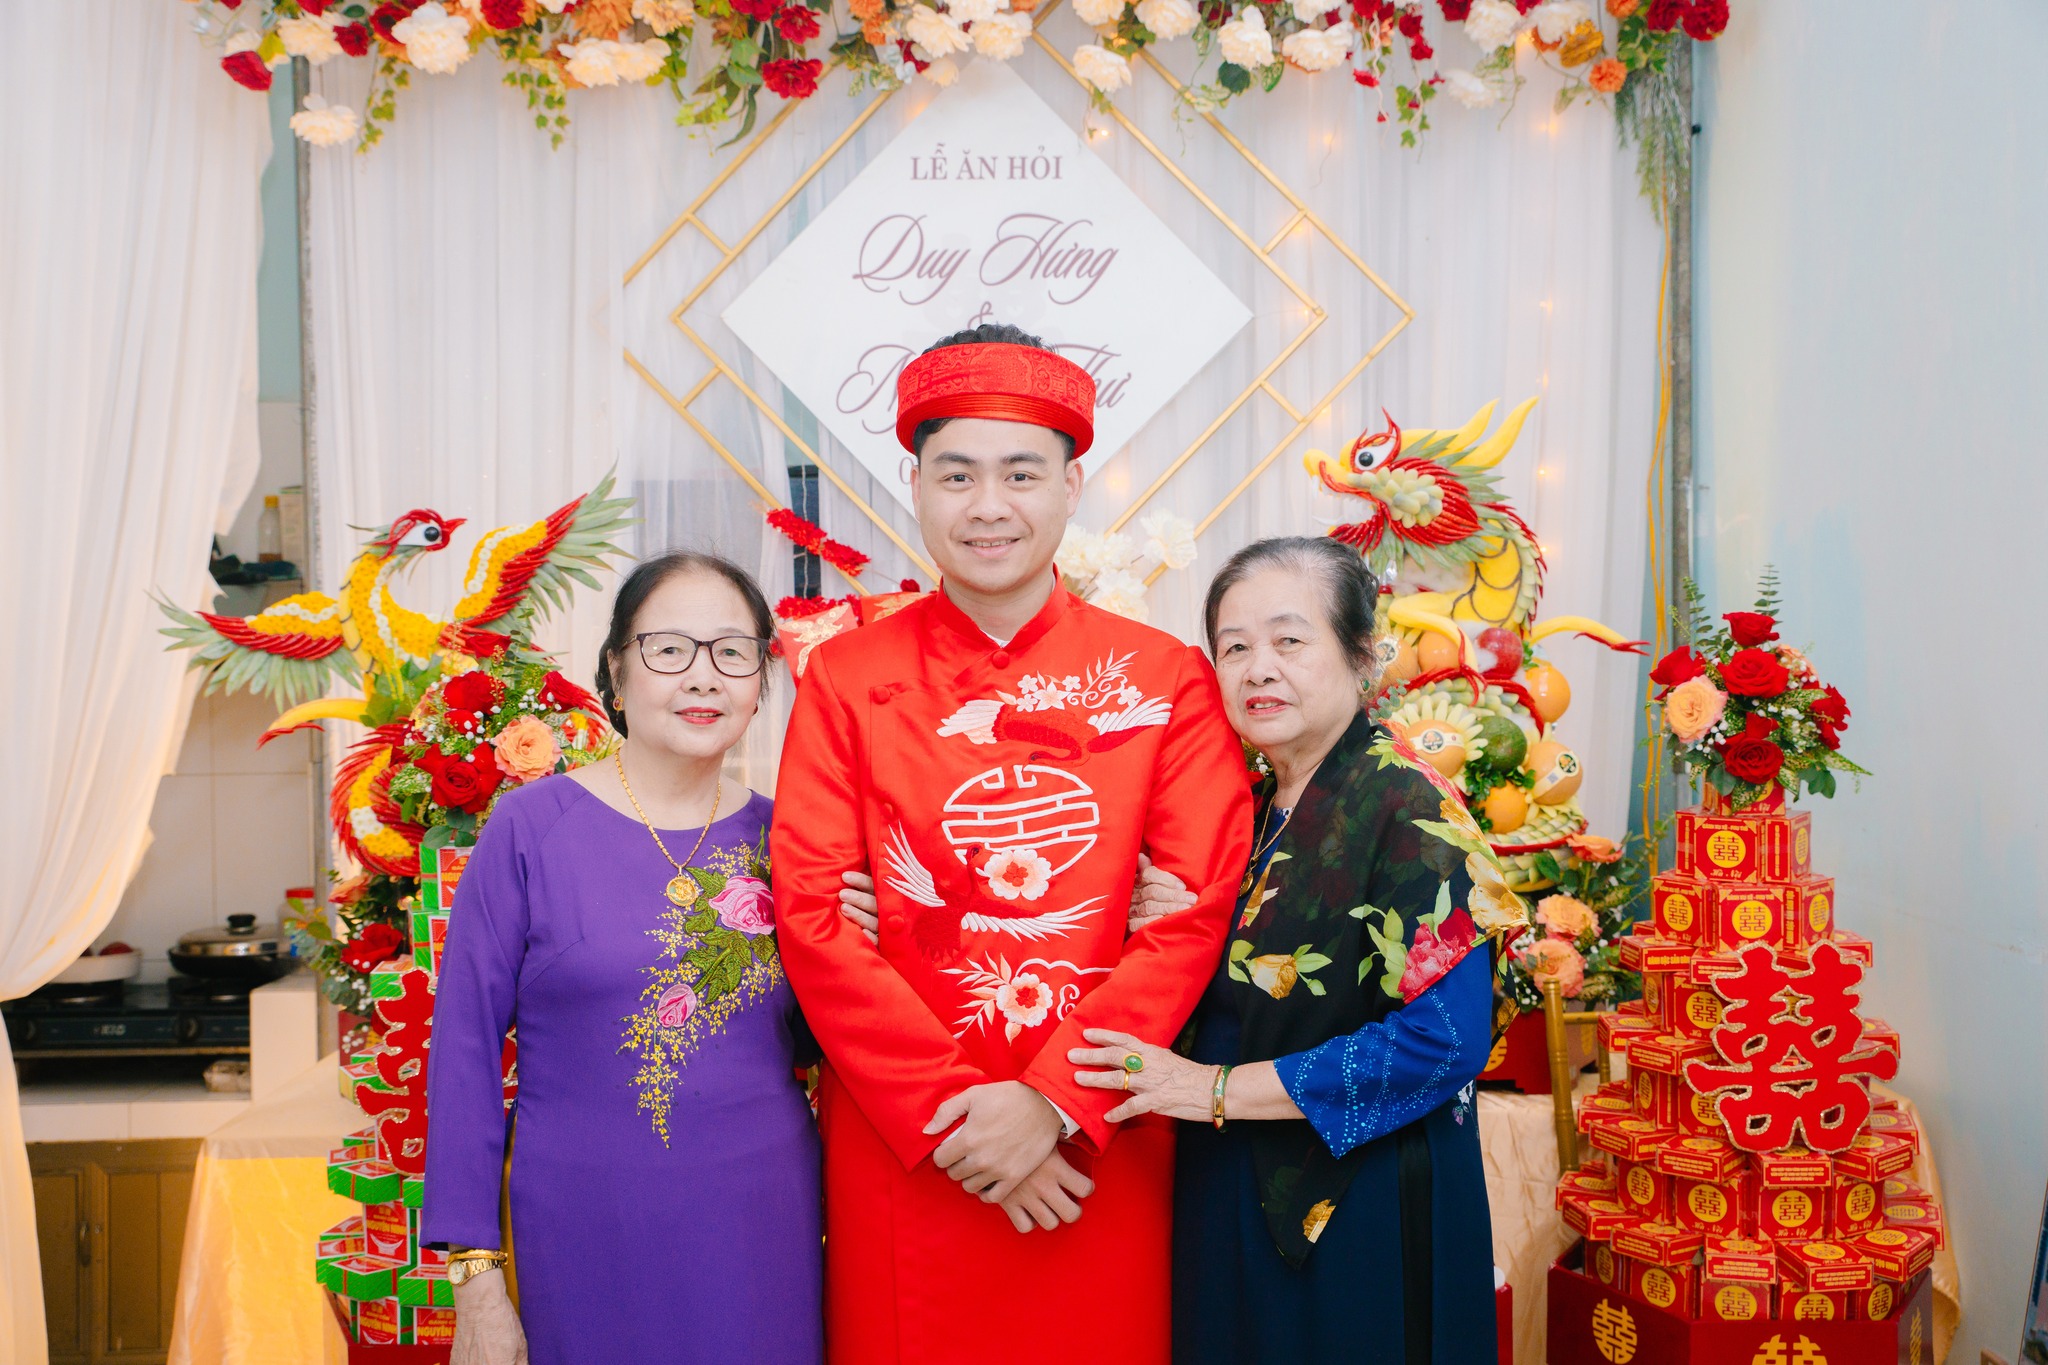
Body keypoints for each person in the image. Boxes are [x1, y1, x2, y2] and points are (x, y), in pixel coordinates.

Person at [770, 322, 1253, 1365]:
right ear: (914, 485)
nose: (988, 505)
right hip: (908, 1145)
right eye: (957, 474)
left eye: (1021, 473)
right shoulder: (846, 679)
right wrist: (954, 1112)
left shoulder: (1161, 678)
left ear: (1071, 486)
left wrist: (1052, 1103)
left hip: (1101, 1143)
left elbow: (1194, 909)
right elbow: (811, 915)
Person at [1070, 537, 1516, 1364]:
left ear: (1361, 656)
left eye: (1289, 639)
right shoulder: (1243, 811)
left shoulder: (1408, 803)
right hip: (1228, 1174)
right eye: (1234, 647)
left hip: (1356, 1193)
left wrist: (1212, 1089)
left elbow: (1446, 1039)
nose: (1259, 669)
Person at [423, 552, 822, 1365]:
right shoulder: (529, 830)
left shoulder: (794, 840)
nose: (703, 676)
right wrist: (475, 1278)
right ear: (616, 668)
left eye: (733, 651)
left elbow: (828, 1040)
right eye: (669, 648)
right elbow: (462, 1053)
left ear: (760, 680)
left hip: (763, 1228)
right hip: (582, 1230)